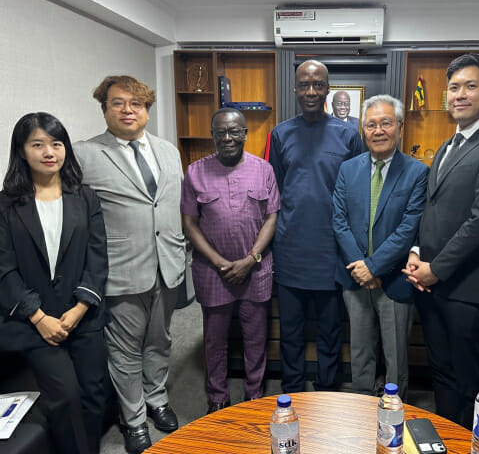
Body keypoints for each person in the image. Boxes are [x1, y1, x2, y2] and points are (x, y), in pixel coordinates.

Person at [403, 53, 479, 428]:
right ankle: (445, 438)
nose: (460, 94)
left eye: (471, 86)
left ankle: (472, 444)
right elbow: (432, 209)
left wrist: (436, 269)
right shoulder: (447, 146)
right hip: (433, 285)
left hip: (468, 289)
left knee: (470, 379)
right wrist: (417, 251)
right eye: (454, 87)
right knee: (441, 370)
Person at [74, 76, 186, 454]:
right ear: (104, 108)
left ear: (147, 110)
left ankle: (157, 399)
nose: (128, 110)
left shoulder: (168, 150)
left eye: (136, 104)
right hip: (122, 269)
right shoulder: (85, 154)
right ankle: (134, 418)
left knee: (161, 340)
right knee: (124, 350)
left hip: (168, 264)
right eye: (118, 103)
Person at [0, 112, 108, 454]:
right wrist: (38, 316)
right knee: (65, 396)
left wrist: (80, 307)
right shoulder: (5, 204)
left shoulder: (85, 197)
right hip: (34, 320)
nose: (49, 152)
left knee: (93, 392)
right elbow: (3, 268)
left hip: (82, 314)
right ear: (21, 151)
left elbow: (97, 255)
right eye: (38, 144)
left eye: (56, 143)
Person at [269, 60, 363, 393]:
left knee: (329, 330)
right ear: (295, 89)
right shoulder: (280, 134)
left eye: (318, 85)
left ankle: (327, 391)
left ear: (327, 88)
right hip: (291, 248)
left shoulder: (349, 135)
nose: (311, 91)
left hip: (332, 251)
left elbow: (357, 192)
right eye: (305, 85)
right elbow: (275, 191)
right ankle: (291, 389)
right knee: (291, 329)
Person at [181, 108, 279, 413]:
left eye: (235, 131)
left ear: (245, 134)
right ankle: (218, 396)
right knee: (215, 339)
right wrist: (221, 263)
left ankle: (254, 394)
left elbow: (272, 217)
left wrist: (250, 260)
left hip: (256, 270)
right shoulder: (195, 172)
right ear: (212, 135)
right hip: (212, 272)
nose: (228, 138)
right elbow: (189, 223)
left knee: (255, 337)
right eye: (220, 132)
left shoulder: (264, 169)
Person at [332, 95, 428, 399]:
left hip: (395, 279)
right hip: (354, 277)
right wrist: (361, 267)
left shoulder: (417, 172)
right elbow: (339, 221)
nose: (378, 130)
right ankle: (360, 403)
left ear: (399, 126)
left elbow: (408, 227)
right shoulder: (348, 169)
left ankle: (394, 408)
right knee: (359, 349)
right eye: (370, 125)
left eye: (385, 123)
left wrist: (373, 267)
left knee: (395, 353)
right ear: (363, 130)